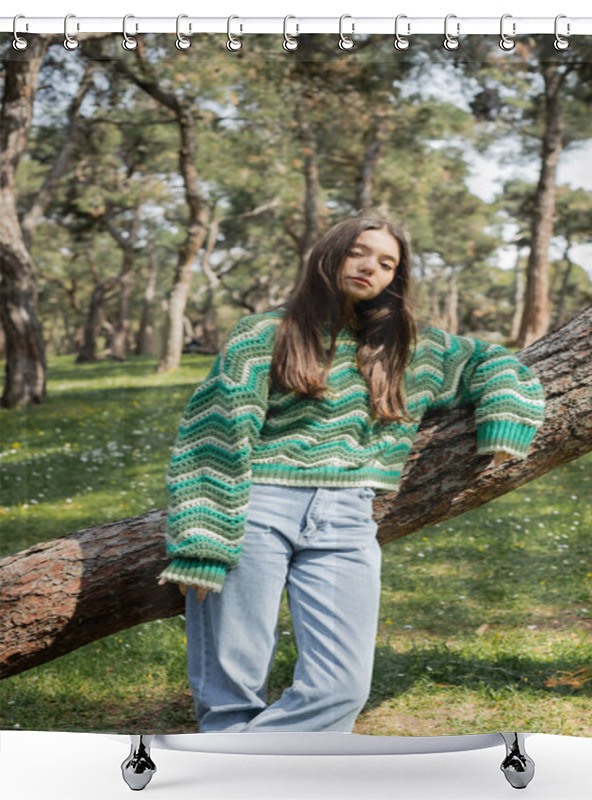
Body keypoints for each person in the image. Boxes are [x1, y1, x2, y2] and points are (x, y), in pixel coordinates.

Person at [157, 215, 545, 734]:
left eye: (387, 263)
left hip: (347, 518)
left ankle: (237, 765)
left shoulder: (413, 347)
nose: (371, 268)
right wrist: (202, 542)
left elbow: (496, 363)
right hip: (256, 510)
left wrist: (503, 424)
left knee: (341, 687)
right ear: (329, 254)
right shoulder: (265, 333)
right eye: (359, 252)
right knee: (232, 689)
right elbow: (216, 433)